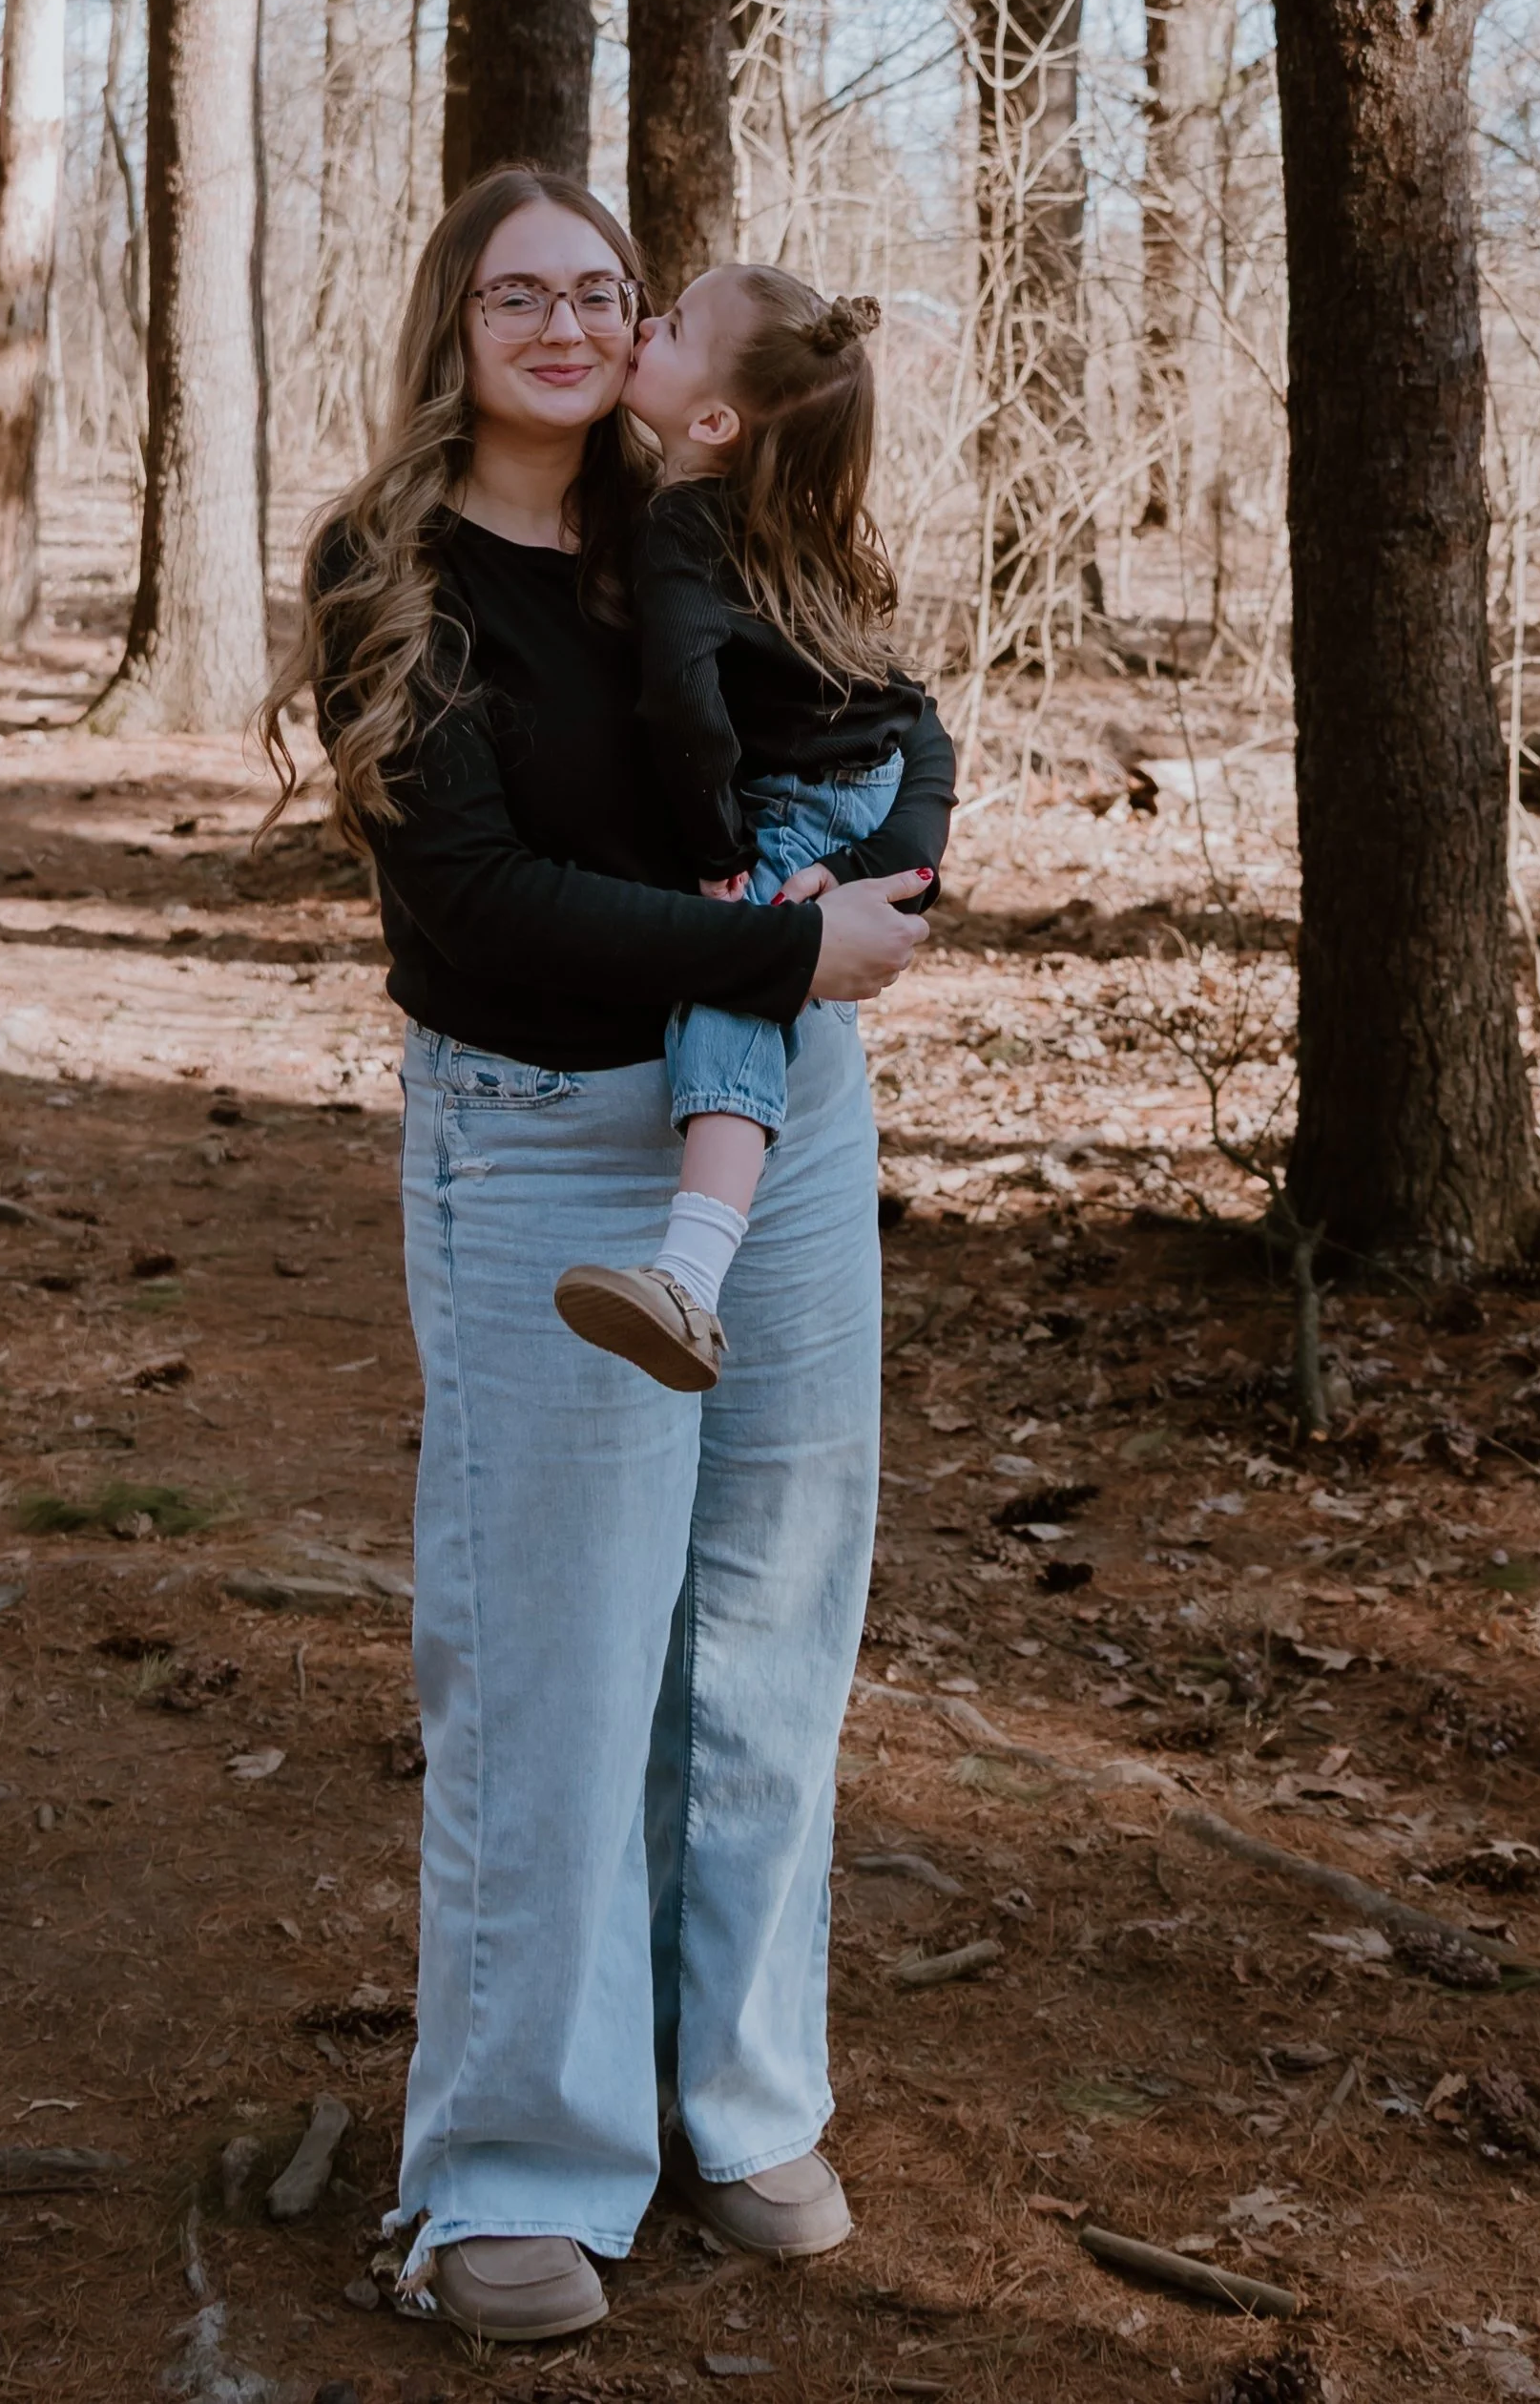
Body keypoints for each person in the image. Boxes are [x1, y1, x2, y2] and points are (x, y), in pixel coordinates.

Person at [260, 167, 954, 2347]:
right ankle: (517, 2164)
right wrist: (780, 944)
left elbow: (887, 717)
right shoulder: (389, 569)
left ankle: (737, 2100)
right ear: (454, 322)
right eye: (518, 293)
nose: (565, 323)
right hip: (546, 1146)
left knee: (763, 1637)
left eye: (601, 289)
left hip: (780, 1137)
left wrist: (889, 867)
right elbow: (471, 898)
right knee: (552, 1669)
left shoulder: (716, 514)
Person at [554, 267, 926, 1392]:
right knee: (753, 961)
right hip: (859, 782)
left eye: (668, 327)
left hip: (799, 801)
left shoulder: (684, 522)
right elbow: (901, 708)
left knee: (733, 975)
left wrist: (718, 851)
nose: (640, 326)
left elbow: (682, 701)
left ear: (713, 422)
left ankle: (690, 1273)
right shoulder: (786, 525)